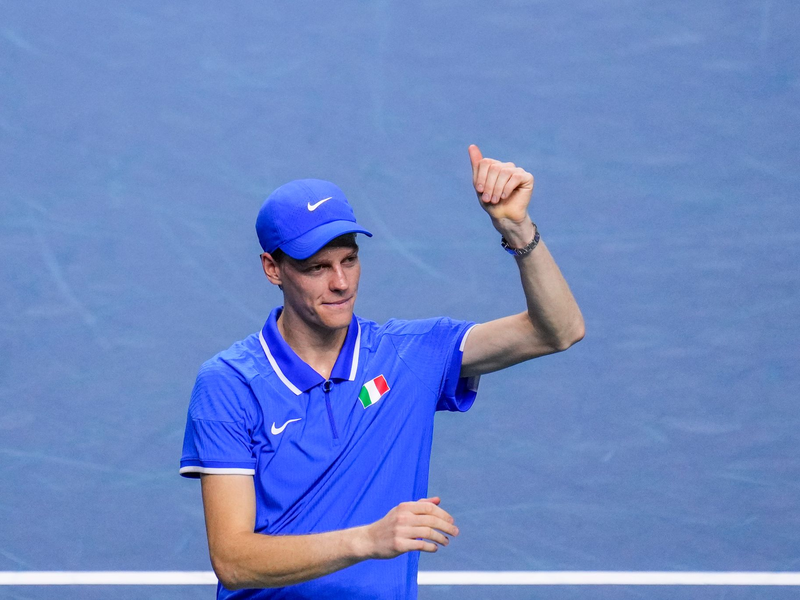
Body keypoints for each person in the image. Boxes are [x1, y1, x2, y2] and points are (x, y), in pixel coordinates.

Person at [180, 145, 584, 599]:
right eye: (317, 268)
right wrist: (368, 539)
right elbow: (234, 560)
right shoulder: (229, 384)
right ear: (273, 269)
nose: (340, 283)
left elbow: (558, 331)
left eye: (349, 260)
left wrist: (516, 228)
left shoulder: (410, 356)